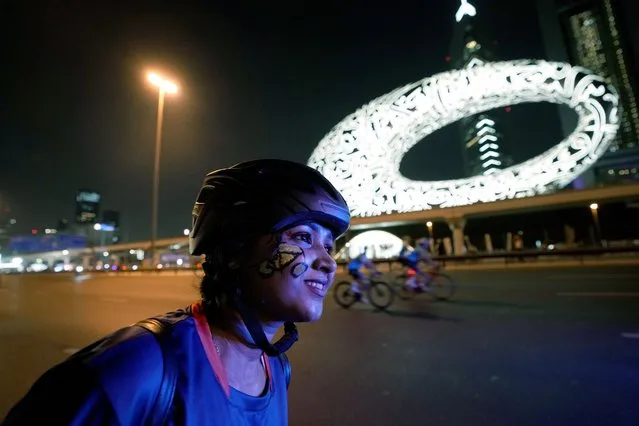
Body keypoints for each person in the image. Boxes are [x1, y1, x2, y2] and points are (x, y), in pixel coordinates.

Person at [1, 159, 350, 426]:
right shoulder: (140, 366)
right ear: (235, 249)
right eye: (303, 237)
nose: (327, 263)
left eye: (329, 246)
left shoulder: (275, 367)